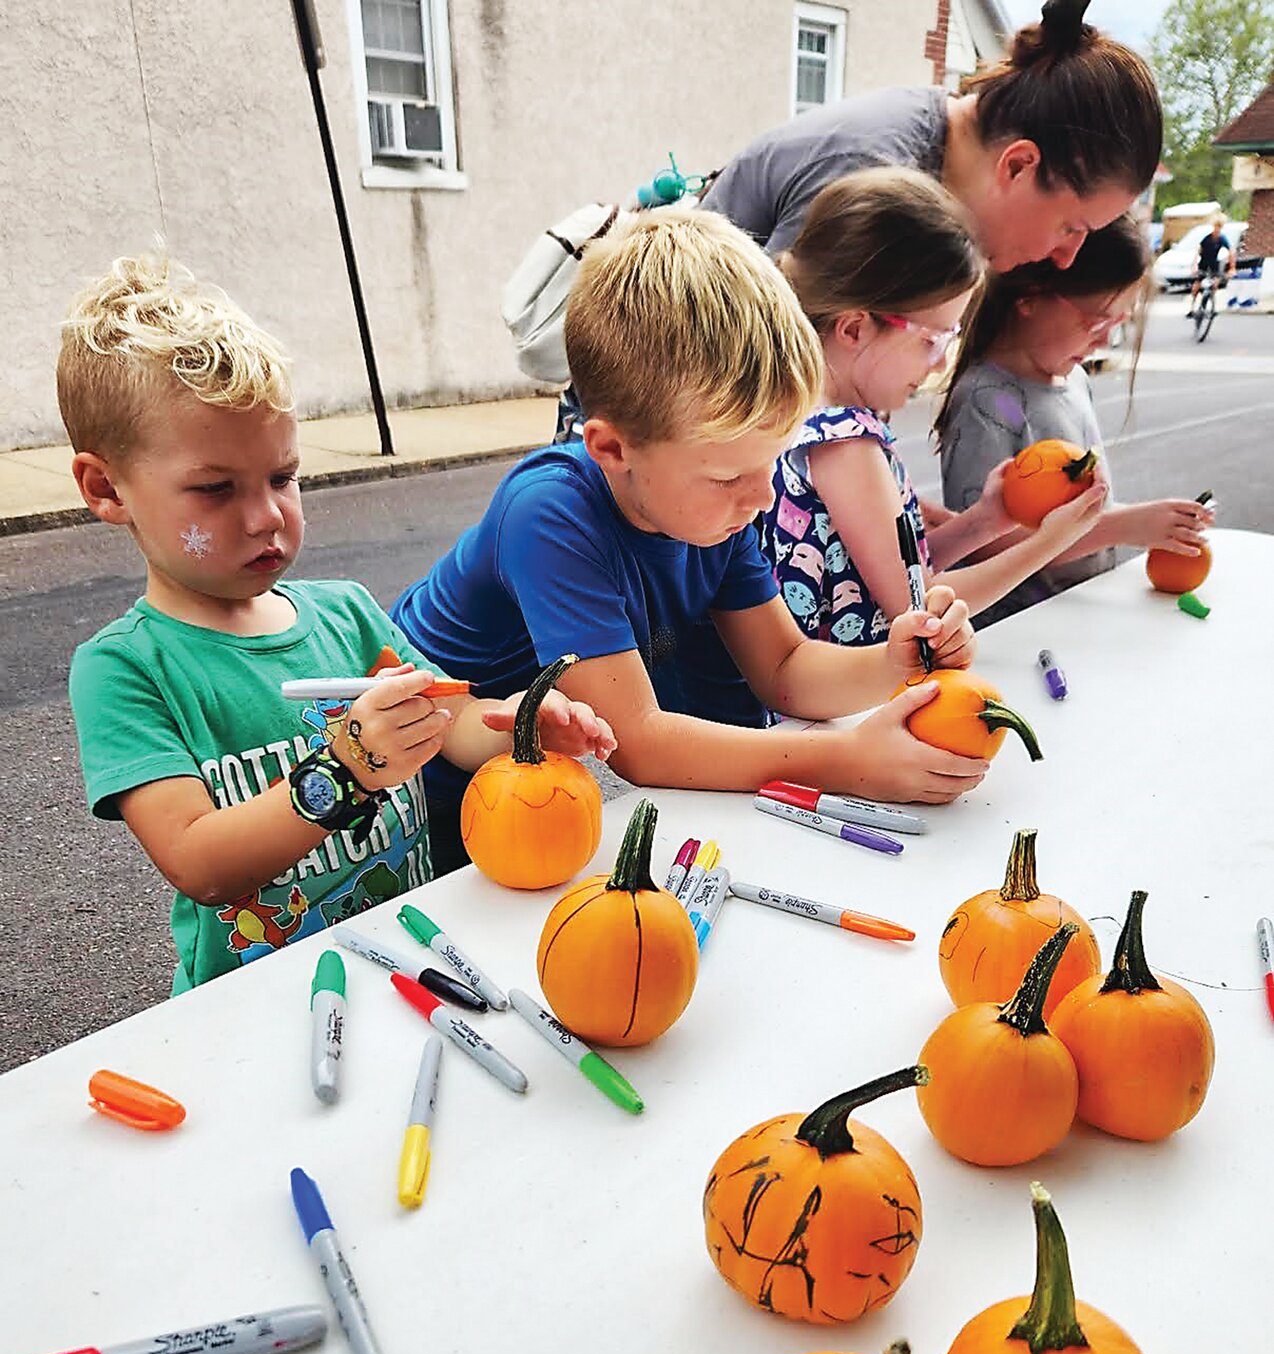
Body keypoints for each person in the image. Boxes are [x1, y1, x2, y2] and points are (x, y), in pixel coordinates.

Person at [62, 255, 615, 993]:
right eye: (216, 488)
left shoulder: (346, 610)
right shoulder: (127, 668)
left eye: (283, 478)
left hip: (409, 959)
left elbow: (445, 727)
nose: (266, 516)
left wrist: (516, 726)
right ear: (106, 488)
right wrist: (348, 767)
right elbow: (198, 863)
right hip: (255, 1001)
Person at [391, 210, 987, 873]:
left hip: (553, 787)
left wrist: (895, 662)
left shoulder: (712, 508)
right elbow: (639, 745)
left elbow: (786, 669)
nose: (762, 498)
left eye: (770, 463)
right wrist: (847, 763)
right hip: (433, 800)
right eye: (730, 474)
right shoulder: (548, 514)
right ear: (613, 449)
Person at [761, 168, 1106, 645]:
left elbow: (887, 570)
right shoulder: (843, 441)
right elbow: (918, 606)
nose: (943, 359)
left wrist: (984, 522)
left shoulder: (809, 417)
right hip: (839, 711)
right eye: (932, 339)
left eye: (953, 336)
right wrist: (1048, 544)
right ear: (855, 328)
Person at [701, 0, 1161, 273]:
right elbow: (764, 393)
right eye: (1071, 228)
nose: (1065, 258)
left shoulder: (926, 152)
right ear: (1019, 165)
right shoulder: (869, 179)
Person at [935, 215, 1214, 624]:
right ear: (1030, 299)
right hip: (1020, 629)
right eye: (1096, 320)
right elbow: (988, 544)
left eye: (1119, 324)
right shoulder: (988, 402)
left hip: (1078, 613)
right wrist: (1123, 526)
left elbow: (1079, 501)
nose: (1103, 340)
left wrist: (1155, 521)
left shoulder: (1074, 378)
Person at [1187, 215, 1232, 317]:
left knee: (1215, 283)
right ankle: (1192, 308)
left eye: (1219, 227)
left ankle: (1212, 307)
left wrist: (1231, 267)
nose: (1217, 229)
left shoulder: (1222, 239)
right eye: (1216, 227)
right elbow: (1198, 251)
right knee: (1197, 285)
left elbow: (1230, 251)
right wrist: (1193, 266)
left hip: (1213, 264)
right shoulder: (1207, 239)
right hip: (1203, 263)